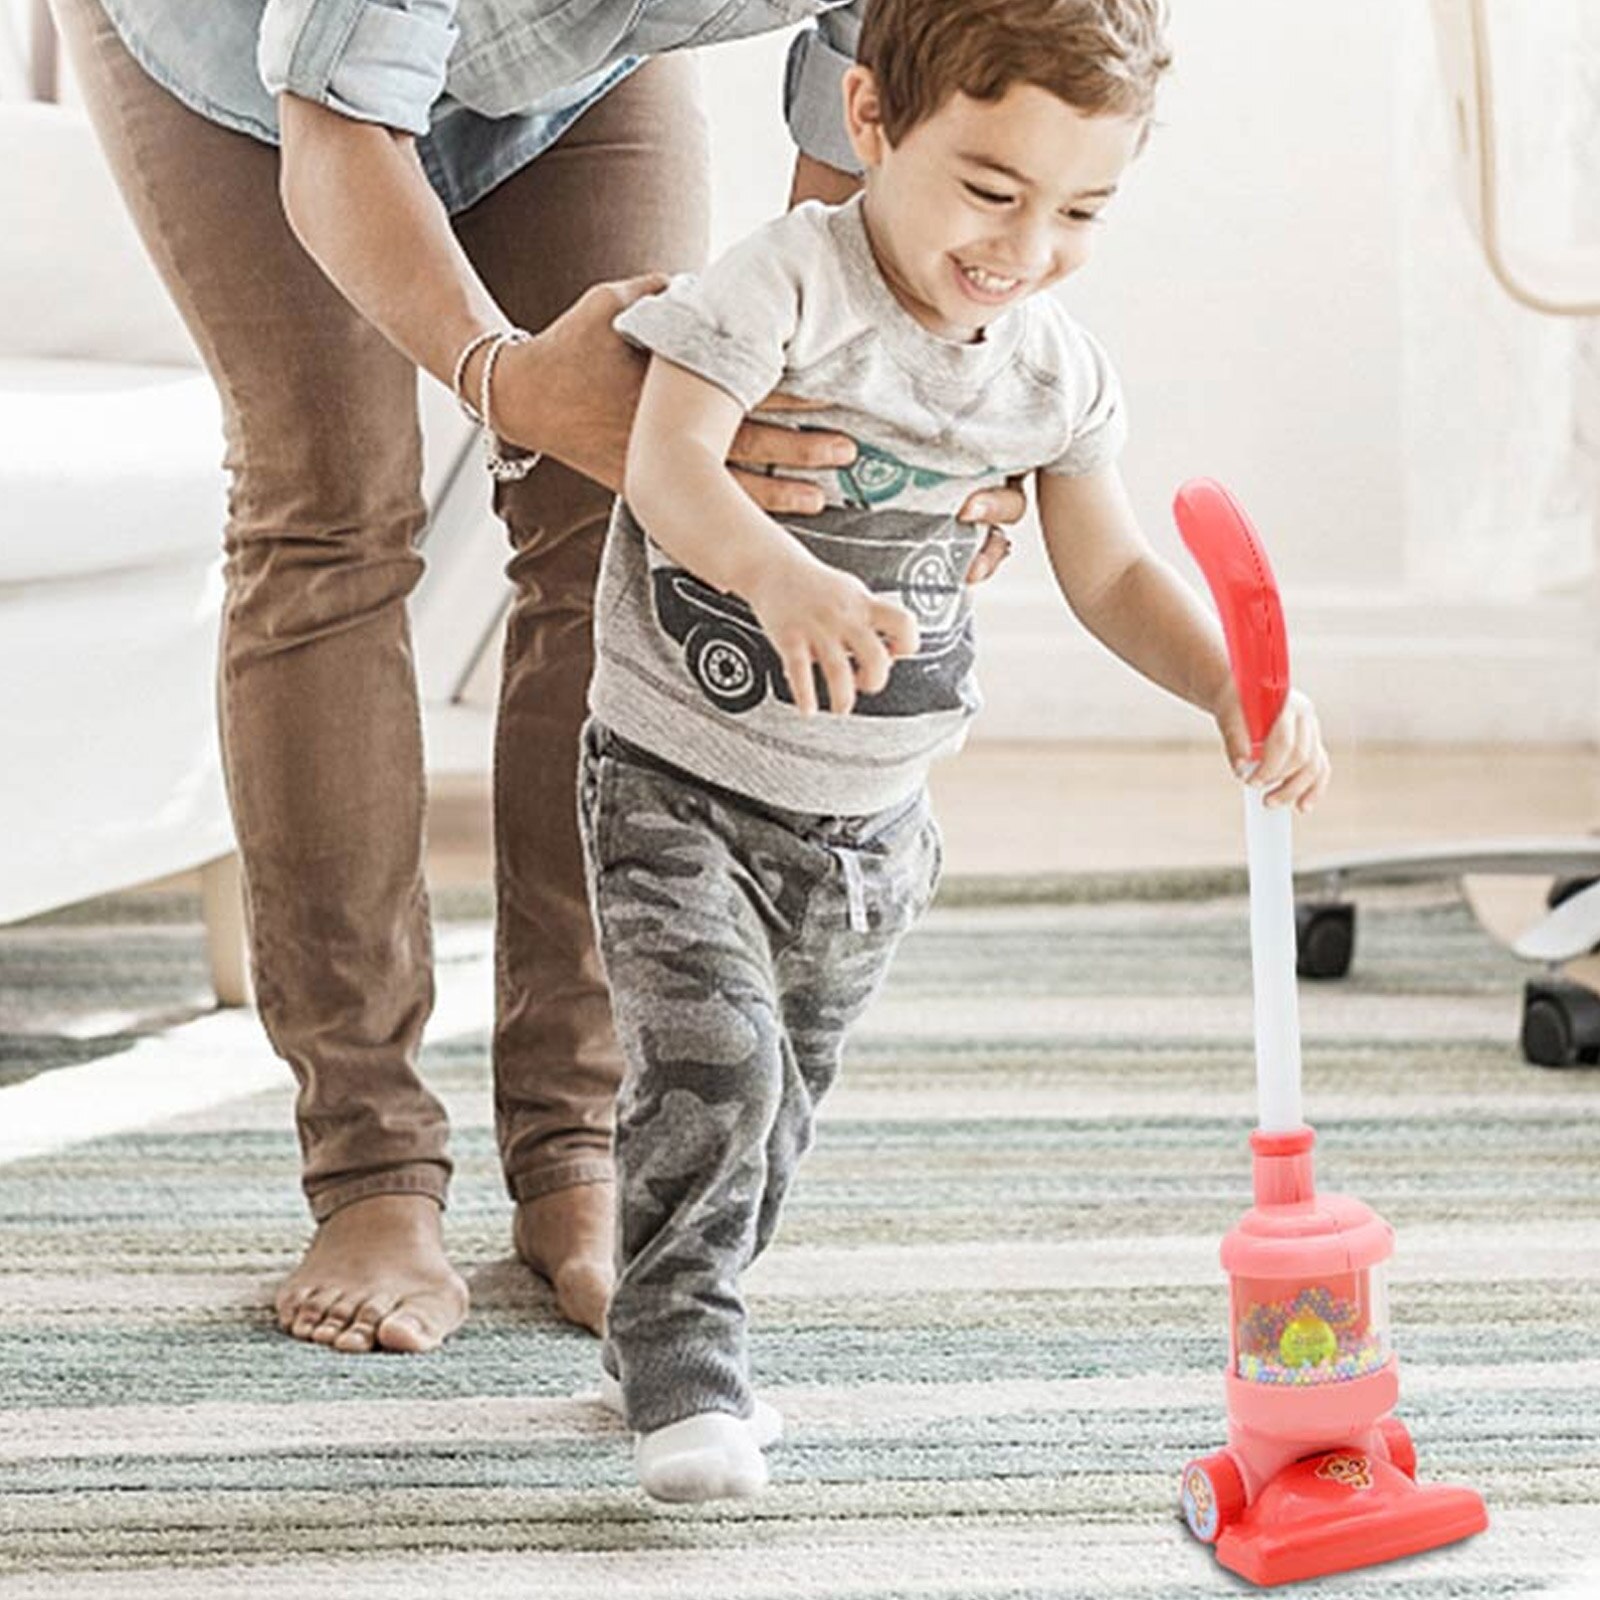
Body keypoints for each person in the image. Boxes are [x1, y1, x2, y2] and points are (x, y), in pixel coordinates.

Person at [48, 0, 1026, 1353]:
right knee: (328, 509)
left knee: (627, 521)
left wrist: (870, 392)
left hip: (568, 69)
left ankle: (578, 1140)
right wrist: (504, 378)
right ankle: (370, 1166)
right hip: (236, 61)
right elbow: (338, 119)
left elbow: (882, 100)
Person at [577, 0, 1331, 1501]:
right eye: (991, 188)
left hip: (870, 826)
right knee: (713, 1061)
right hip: (681, 778)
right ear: (872, 121)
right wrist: (775, 576)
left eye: (1082, 210)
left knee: (774, 1103)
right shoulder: (780, 285)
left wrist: (1234, 689)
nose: (1025, 244)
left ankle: (681, 1302)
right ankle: (683, 1366)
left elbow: (1111, 572)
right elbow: (664, 461)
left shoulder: (1050, 372)